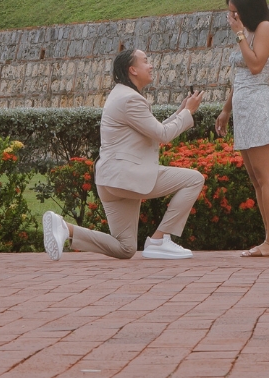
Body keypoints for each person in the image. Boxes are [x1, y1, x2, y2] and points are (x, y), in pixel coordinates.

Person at [42, 48, 204, 261]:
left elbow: (154, 132)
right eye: (146, 61)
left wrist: (180, 112)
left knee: (125, 248)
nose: (151, 65)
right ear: (132, 70)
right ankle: (159, 240)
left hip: (112, 180)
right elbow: (163, 135)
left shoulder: (123, 95)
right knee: (194, 179)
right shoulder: (131, 99)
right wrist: (189, 112)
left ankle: (66, 229)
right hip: (126, 177)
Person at [215, 0, 269, 257]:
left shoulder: (265, 29)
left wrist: (239, 35)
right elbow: (241, 78)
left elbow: (256, 66)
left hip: (259, 107)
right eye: (230, 14)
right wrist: (226, 110)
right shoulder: (247, 32)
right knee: (257, 180)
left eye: (235, 12)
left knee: (268, 177)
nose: (232, 18)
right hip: (245, 109)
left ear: (248, 9)